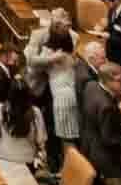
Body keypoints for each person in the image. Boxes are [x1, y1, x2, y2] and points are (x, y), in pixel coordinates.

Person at [26, 17, 87, 173]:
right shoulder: (68, 54)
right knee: (68, 140)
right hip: (67, 95)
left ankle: (69, 172)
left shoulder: (55, 55)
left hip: (62, 99)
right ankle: (68, 170)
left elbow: (32, 64)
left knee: (67, 141)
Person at [76, 40, 121, 185]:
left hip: (89, 148)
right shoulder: (106, 106)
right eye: (120, 80)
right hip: (107, 162)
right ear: (109, 81)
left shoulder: (91, 86)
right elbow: (109, 139)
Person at [0, 78, 44, 170]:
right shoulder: (35, 112)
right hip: (27, 161)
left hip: (3, 157)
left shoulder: (1, 109)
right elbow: (40, 139)